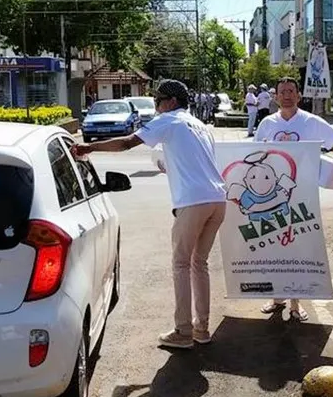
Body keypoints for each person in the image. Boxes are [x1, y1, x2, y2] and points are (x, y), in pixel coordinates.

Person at [71, 80, 227, 350]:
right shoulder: (200, 125)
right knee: (198, 264)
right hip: (217, 200)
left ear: (172, 102)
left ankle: (183, 331)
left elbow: (127, 144)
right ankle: (202, 329)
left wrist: (89, 148)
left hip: (193, 202)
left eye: (159, 100)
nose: (156, 105)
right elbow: (196, 162)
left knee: (181, 264)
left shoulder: (169, 120)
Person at [256, 77, 333, 321]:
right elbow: (253, 155)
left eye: (291, 91)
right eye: (282, 92)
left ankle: (295, 303)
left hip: (303, 198)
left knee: (298, 248)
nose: (287, 95)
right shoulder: (267, 124)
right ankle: (276, 298)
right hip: (272, 199)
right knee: (273, 247)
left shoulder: (312, 122)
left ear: (299, 95)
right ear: (276, 97)